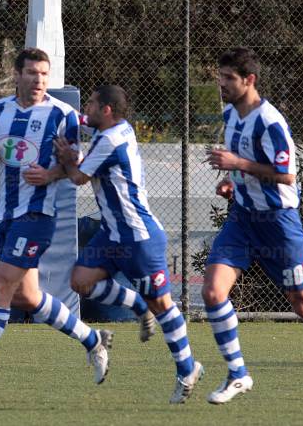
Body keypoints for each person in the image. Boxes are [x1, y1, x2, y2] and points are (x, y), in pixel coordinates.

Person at [0, 48, 126, 396]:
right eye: (32, 73)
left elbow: (75, 170)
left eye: (43, 74)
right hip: (5, 213)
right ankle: (92, 338)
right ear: (18, 75)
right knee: (27, 296)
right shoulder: (0, 109)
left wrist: (51, 173)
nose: (38, 80)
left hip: (38, 216)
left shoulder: (63, 114)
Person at [203, 47, 303, 412]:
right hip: (242, 218)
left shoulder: (270, 122)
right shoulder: (230, 113)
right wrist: (231, 179)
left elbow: (286, 174)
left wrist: (237, 163)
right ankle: (238, 372)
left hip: (278, 223)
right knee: (212, 291)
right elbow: (243, 166)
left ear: (249, 80)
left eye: (228, 79)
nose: (221, 84)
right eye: (219, 77)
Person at [54, 85, 203, 404]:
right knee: (80, 281)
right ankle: (136, 304)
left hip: (138, 237)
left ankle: (187, 368)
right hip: (112, 234)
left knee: (162, 305)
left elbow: (78, 177)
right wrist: (58, 107)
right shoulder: (118, 128)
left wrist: (67, 158)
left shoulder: (110, 140)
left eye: (92, 104)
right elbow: (84, 127)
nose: (88, 108)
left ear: (106, 110)